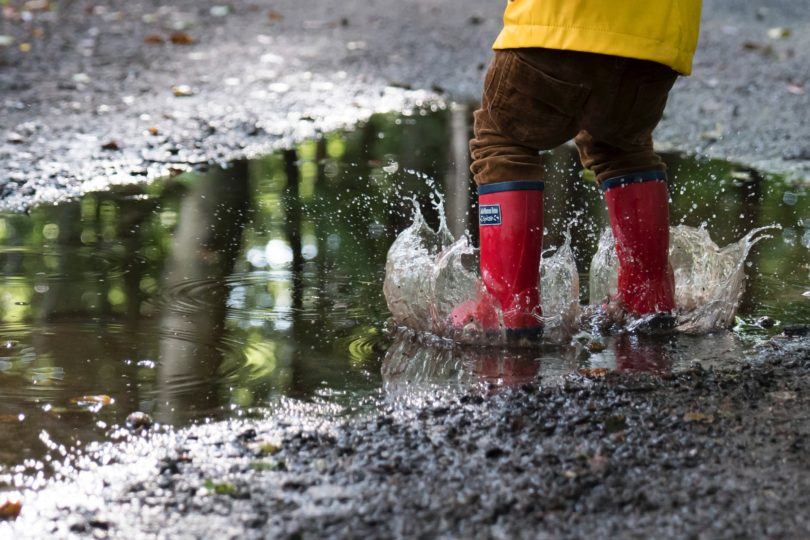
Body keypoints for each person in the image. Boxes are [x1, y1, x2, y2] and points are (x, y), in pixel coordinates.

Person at [451, 0, 702, 340]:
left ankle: (506, 309)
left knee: (503, 141)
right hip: (657, 41)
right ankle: (648, 300)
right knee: (623, 148)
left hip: (561, 21)